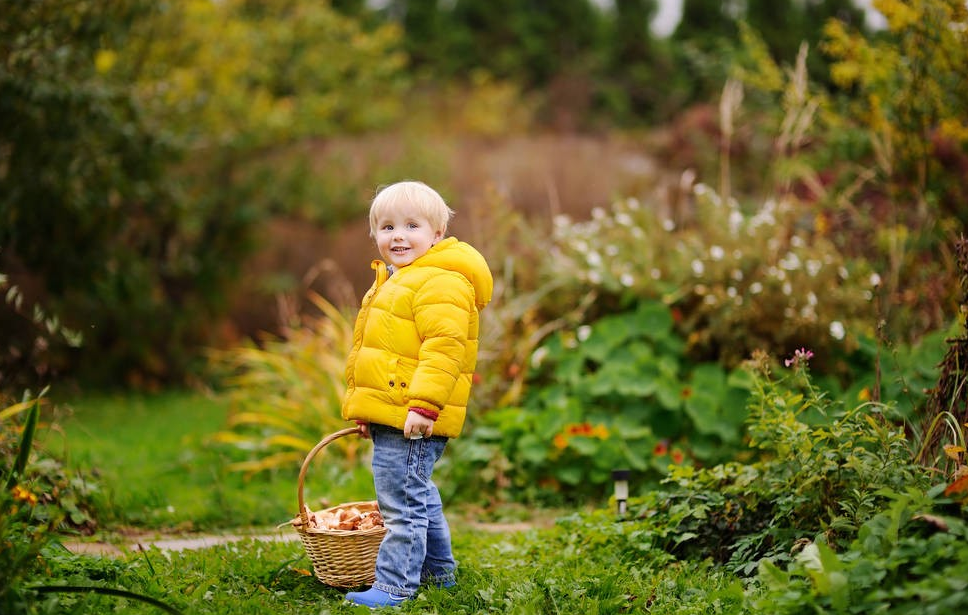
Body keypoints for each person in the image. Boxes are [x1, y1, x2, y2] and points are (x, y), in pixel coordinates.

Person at [342, 180, 493, 608]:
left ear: (437, 234)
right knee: (417, 492)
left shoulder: (440, 282)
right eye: (387, 227)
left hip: (415, 412)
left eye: (412, 225)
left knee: (400, 504)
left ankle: (394, 586)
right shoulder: (397, 279)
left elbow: (444, 350)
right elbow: (381, 353)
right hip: (394, 410)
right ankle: (439, 572)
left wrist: (425, 405)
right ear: (374, 235)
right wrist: (367, 409)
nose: (399, 236)